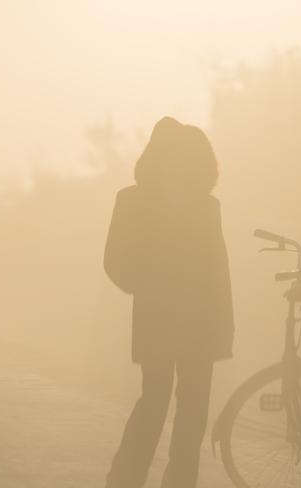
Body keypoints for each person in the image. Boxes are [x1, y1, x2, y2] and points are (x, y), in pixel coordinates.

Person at [103, 117, 234, 488]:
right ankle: (130, 477)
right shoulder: (135, 201)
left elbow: (218, 270)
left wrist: (224, 325)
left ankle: (161, 481)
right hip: (169, 321)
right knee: (162, 405)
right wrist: (148, 285)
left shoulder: (205, 206)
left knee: (183, 411)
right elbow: (115, 261)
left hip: (194, 322)